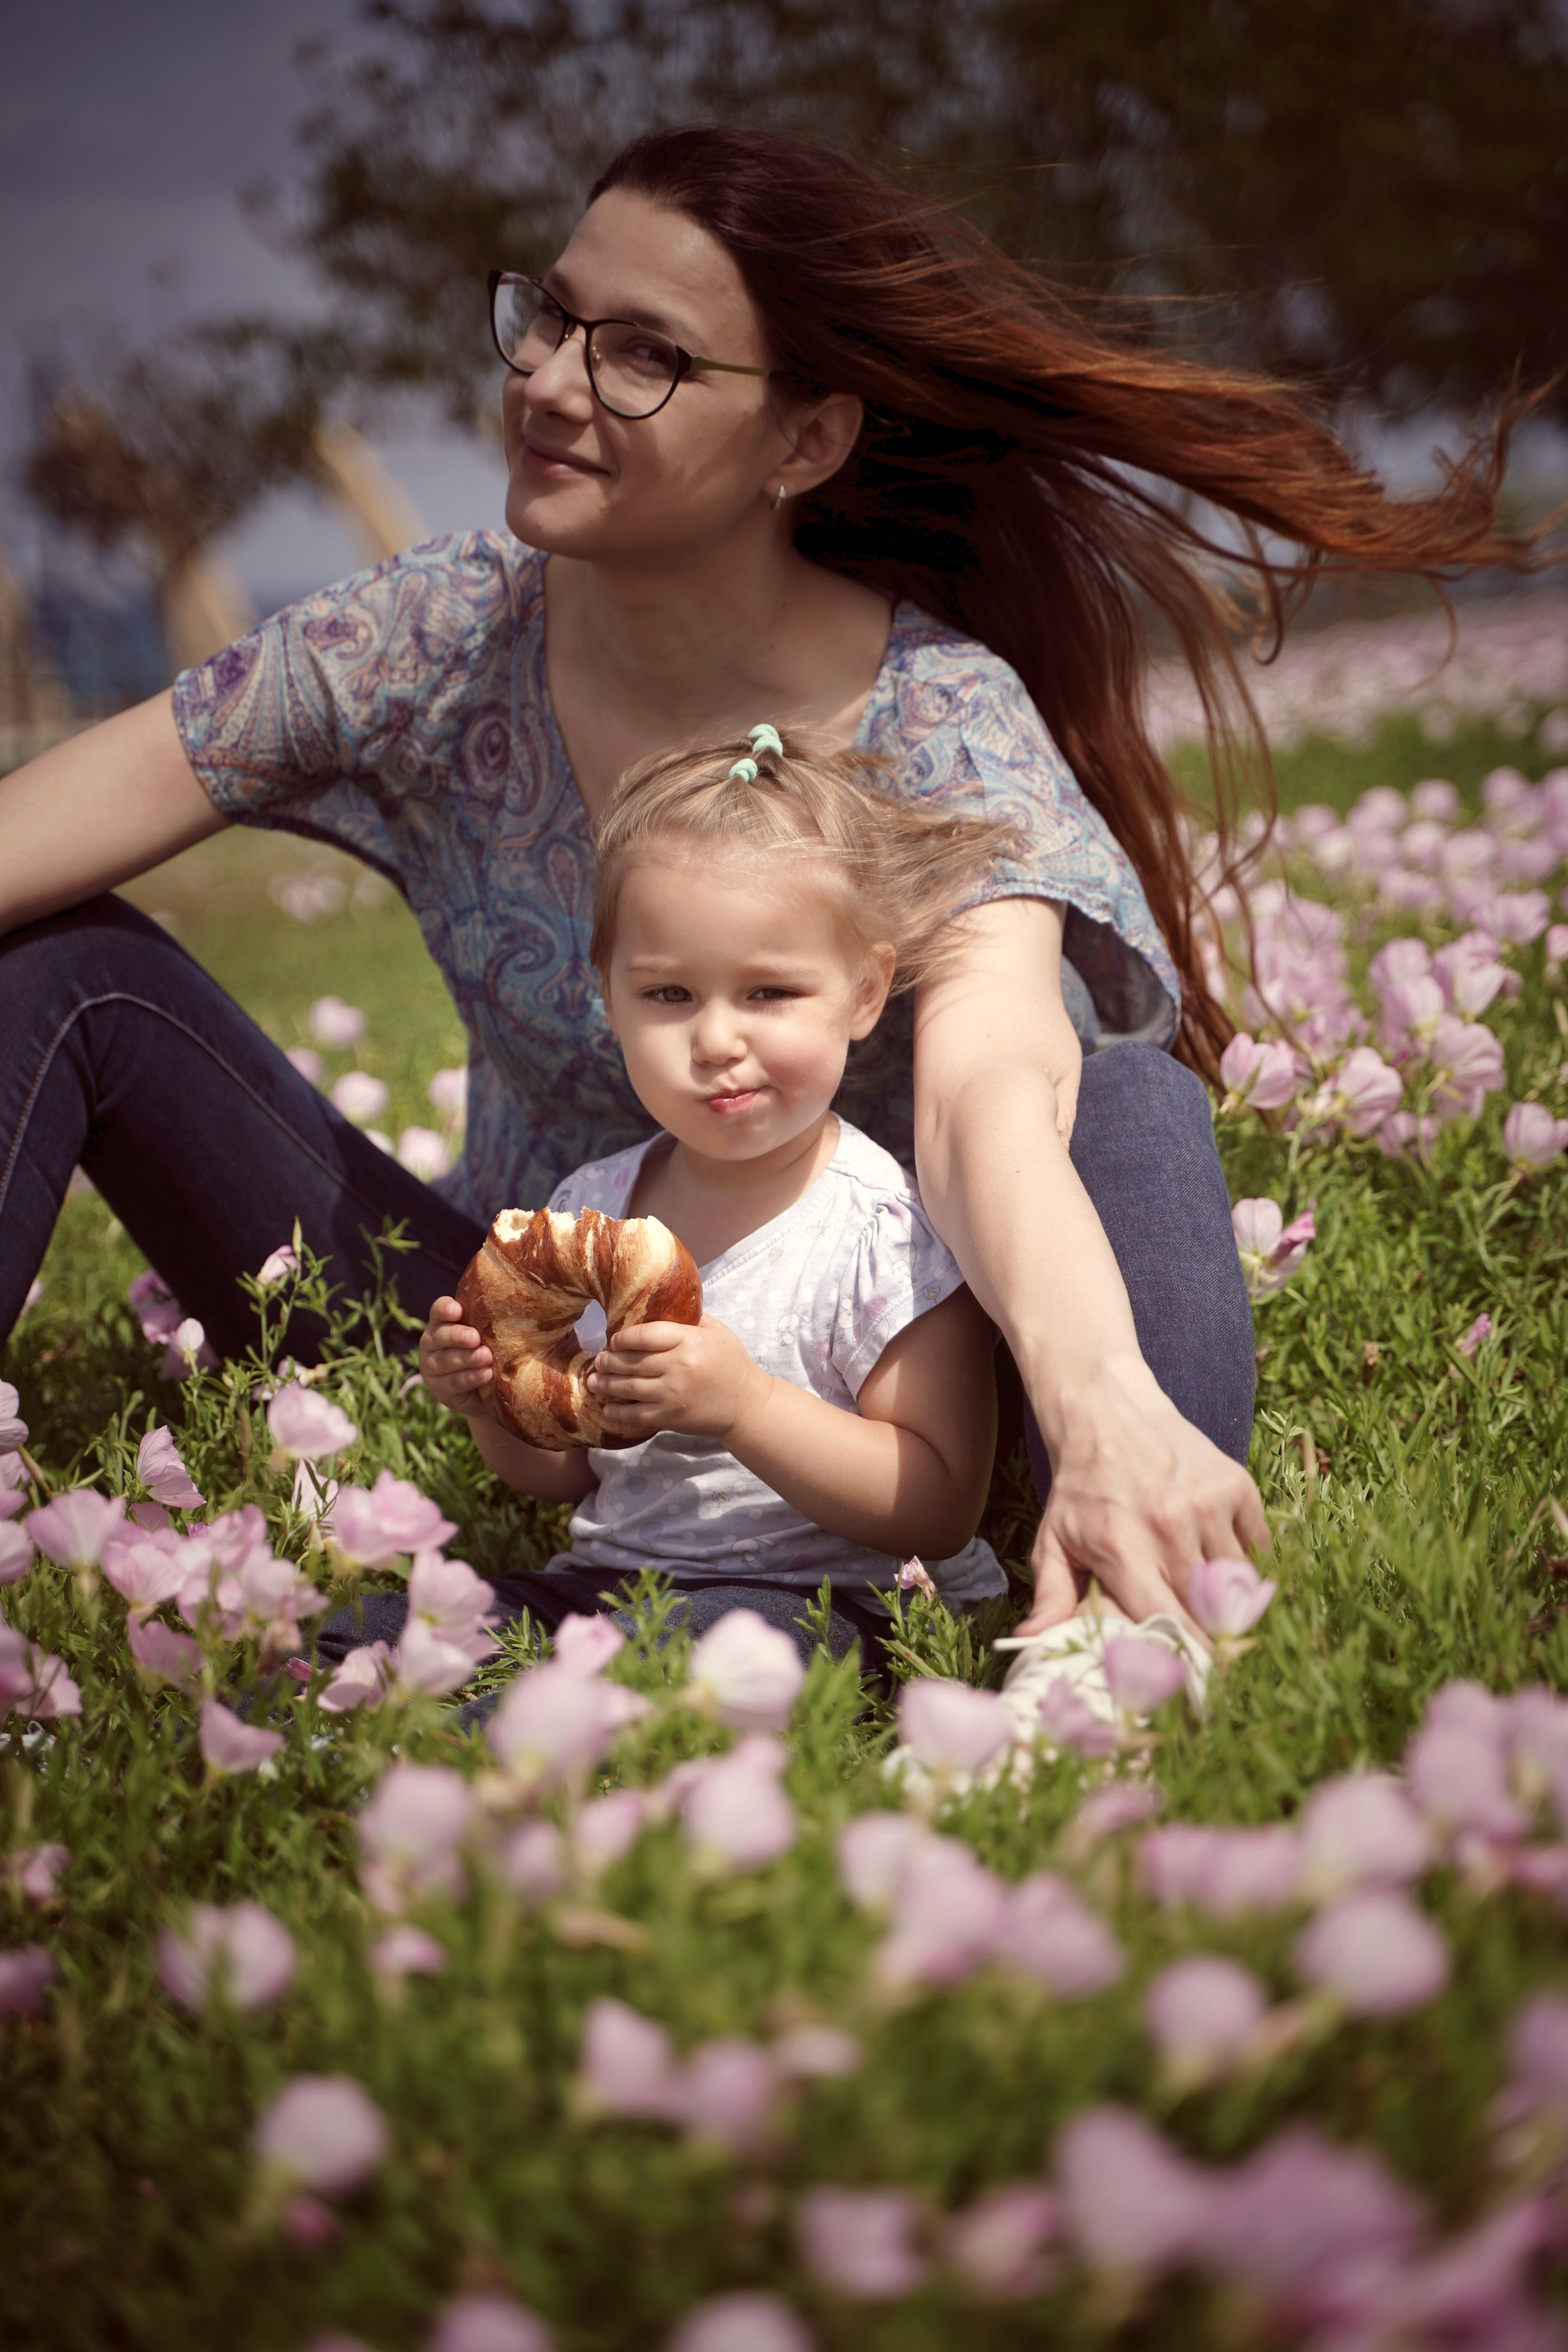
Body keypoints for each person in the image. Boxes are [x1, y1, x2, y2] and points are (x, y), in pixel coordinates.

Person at [0, 124, 1529, 1646]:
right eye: (550, 315)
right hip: (525, 1369)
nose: (546, 381)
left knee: (1117, 1094)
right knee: (56, 967)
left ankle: (1124, 1576)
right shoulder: (431, 635)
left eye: (643, 356)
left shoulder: (939, 718)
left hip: (873, 1397)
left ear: (804, 442)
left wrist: (1098, 1393)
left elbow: (982, 1089)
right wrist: (502, 1379)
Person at [407, 725, 1006, 1668]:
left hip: (831, 1601)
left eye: (768, 992)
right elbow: (562, 1474)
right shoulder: (594, 1207)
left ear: (862, 993)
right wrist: (490, 1402)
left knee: (682, 1655)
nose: (717, 1038)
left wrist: (747, 1406)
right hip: (612, 1586)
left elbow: (937, 1501)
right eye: (670, 995)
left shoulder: (882, 1227)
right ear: (610, 997)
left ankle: (507, 1737)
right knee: (396, 1629)